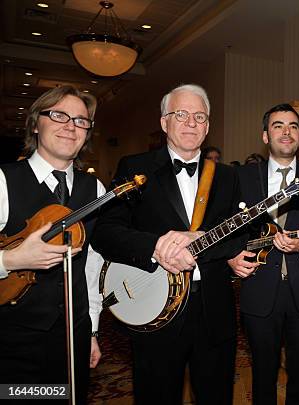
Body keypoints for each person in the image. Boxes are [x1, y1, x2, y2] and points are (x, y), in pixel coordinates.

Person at [91, 84, 241, 404]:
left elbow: (241, 237)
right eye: (181, 114)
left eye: (199, 116)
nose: (191, 122)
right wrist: (156, 246)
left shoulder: (227, 176)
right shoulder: (134, 168)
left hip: (213, 311)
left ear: (208, 126)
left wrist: (204, 242)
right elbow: (106, 231)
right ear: (164, 123)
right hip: (153, 309)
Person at [0, 85, 104, 403]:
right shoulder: (4, 180)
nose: (71, 126)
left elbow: (92, 267)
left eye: (81, 120)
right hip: (14, 341)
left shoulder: (95, 187)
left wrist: (92, 331)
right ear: (35, 123)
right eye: (59, 115)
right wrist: (12, 260)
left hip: (73, 337)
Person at [228, 103, 299, 404]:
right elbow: (227, 230)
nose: (286, 132)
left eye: (293, 126)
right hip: (259, 290)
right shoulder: (243, 178)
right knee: (262, 373)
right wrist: (233, 258)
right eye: (278, 126)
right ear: (265, 136)